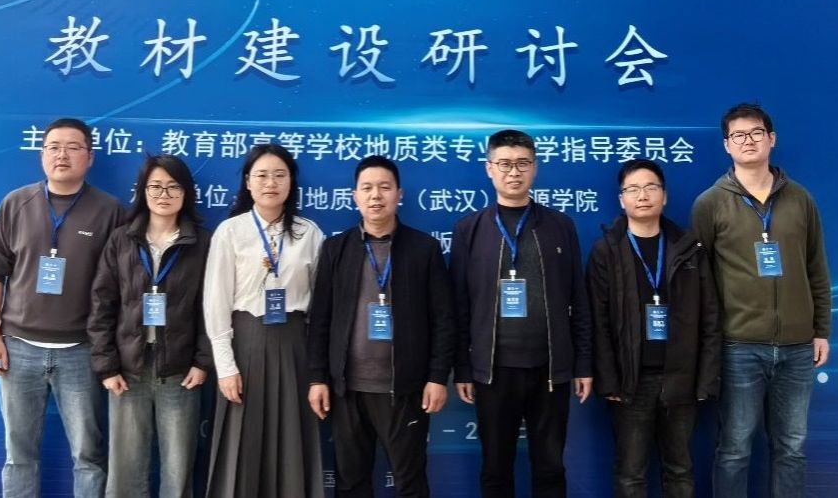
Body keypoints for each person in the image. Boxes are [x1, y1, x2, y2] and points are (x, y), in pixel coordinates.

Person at [689, 103, 831, 497]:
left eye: (755, 133)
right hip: (739, 347)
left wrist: (821, 330)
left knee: (792, 447)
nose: (748, 141)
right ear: (726, 145)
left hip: (798, 347)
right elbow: (699, 280)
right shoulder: (709, 204)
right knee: (734, 449)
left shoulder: (800, 199)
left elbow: (816, 267)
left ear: (771, 138)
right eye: (738, 135)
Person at [0, 117, 126, 498]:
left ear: (90, 157)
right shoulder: (16, 203)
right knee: (19, 455)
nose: (62, 155)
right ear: (42, 154)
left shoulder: (110, 211)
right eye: (54, 147)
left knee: (89, 456)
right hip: (18, 349)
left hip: (82, 351)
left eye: (73, 147)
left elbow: (120, 286)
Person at [451, 129, 593, 498]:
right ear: (489, 169)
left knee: (550, 468)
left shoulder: (560, 225)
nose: (514, 172)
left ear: (535, 168)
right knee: (496, 468)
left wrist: (582, 364)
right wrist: (463, 368)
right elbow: (460, 306)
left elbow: (578, 297)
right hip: (493, 371)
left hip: (550, 369)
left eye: (522, 164)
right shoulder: (470, 229)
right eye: (504, 164)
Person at [307, 155, 455, 498]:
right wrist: (317, 378)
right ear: (355, 196)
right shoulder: (336, 249)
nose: (376, 195)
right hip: (347, 390)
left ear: (399, 194)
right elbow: (320, 319)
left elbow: (443, 319)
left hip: (405, 389)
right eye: (367, 188)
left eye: (384, 187)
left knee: (410, 483)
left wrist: (437, 377)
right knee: (350, 483)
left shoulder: (424, 249)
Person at [587, 159, 720, 498]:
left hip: (681, 378)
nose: (642, 196)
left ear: (665, 195)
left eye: (650, 187)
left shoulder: (689, 248)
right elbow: (598, 321)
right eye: (633, 189)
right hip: (630, 382)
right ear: (621, 199)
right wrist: (609, 379)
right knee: (631, 474)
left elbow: (710, 317)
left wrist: (705, 379)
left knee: (680, 470)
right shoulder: (606, 251)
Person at [203, 143, 326, 497]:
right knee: (242, 445)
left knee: (292, 443)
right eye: (261, 175)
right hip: (246, 345)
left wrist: (317, 369)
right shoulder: (230, 231)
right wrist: (225, 367)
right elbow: (216, 303)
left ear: (291, 182)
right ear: (248, 182)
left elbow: (321, 308)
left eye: (279, 175)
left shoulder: (309, 233)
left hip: (295, 347)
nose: (270, 183)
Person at [88, 155, 212, 498]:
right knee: (126, 470)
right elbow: (102, 304)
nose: (164, 194)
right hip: (128, 371)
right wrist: (106, 366)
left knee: (177, 470)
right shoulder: (121, 240)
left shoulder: (202, 243)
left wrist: (202, 362)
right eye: (155, 186)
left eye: (173, 187)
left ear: (186, 193)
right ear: (143, 192)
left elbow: (212, 308)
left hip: (181, 372)